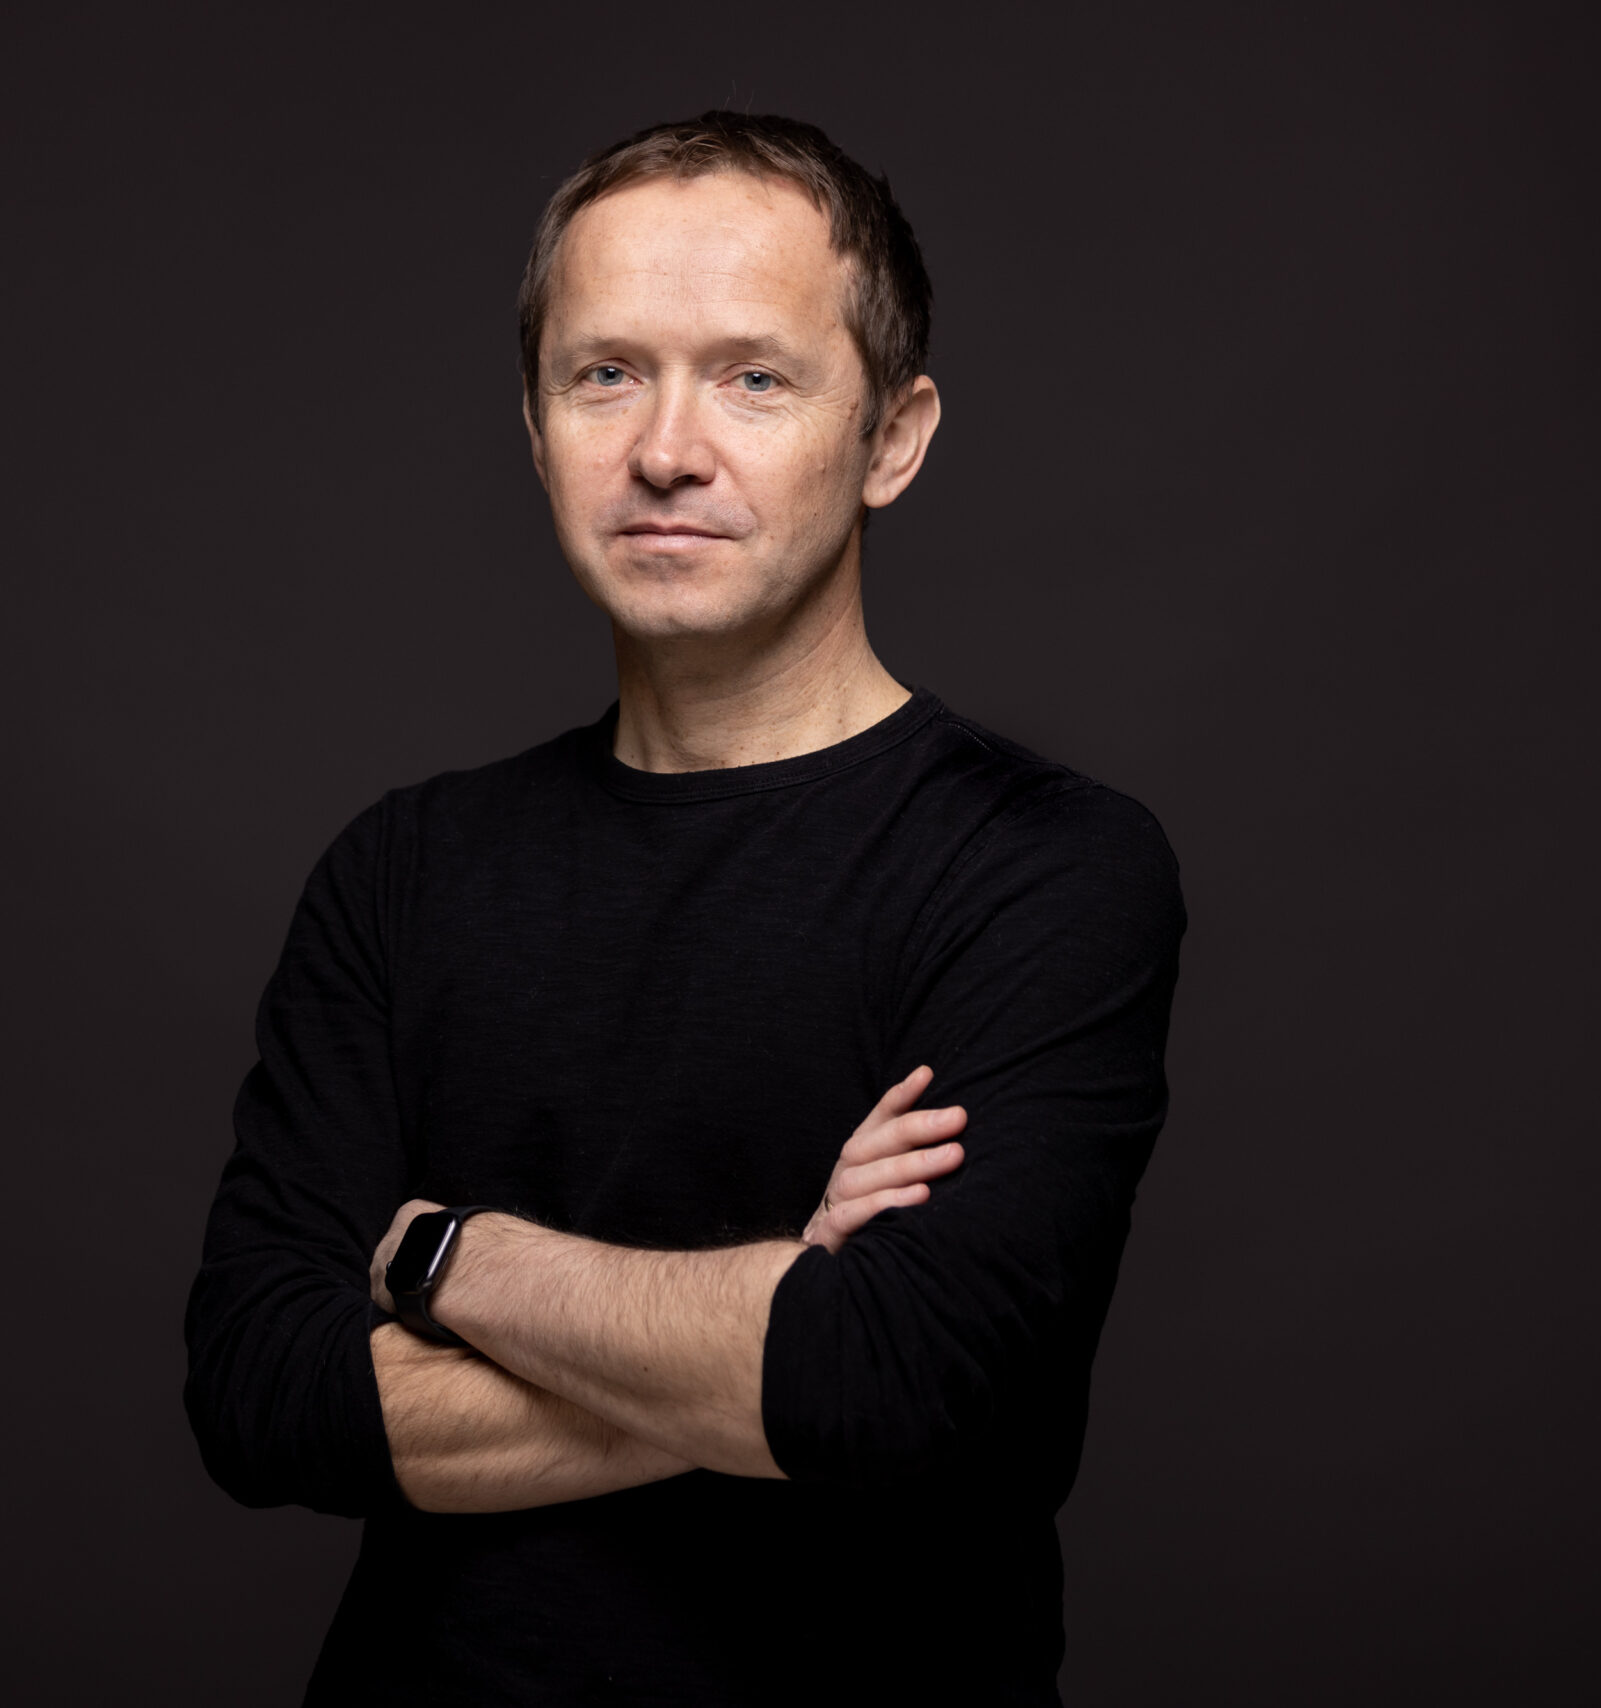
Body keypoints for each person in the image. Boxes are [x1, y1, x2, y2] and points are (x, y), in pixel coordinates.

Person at [184, 111, 1185, 1705]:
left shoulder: (1042, 865)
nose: (666, 448)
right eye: (605, 374)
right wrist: (782, 1304)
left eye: (754, 376)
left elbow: (897, 1384)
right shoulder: (403, 870)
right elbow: (258, 1396)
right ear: (534, 423)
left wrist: (450, 1260)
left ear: (894, 437)